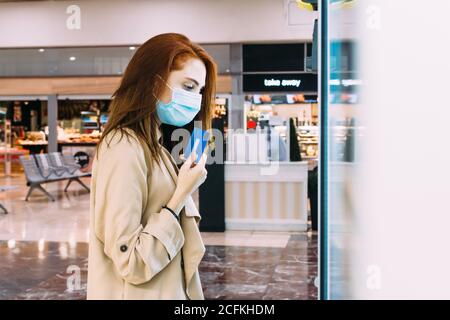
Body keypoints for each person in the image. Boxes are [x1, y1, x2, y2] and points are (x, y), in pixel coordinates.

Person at [87, 33, 217, 300]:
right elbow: (131, 261)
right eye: (189, 87)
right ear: (154, 81)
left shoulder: (151, 144)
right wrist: (181, 193)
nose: (196, 100)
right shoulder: (123, 146)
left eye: (200, 91)